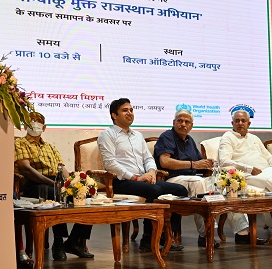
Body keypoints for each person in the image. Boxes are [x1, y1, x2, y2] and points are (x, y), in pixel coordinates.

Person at [97, 98, 188, 252]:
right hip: (121, 181)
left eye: (131, 110)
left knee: (180, 190)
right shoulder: (107, 135)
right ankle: (148, 238)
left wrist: (151, 172)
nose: (130, 113)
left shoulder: (137, 135)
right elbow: (110, 164)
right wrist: (135, 177)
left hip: (142, 179)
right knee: (155, 190)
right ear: (114, 115)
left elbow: (148, 158)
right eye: (125, 110)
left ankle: (166, 236)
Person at [15, 112, 94, 260]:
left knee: (86, 195)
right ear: (25, 126)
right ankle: (58, 243)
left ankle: (74, 241)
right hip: (35, 183)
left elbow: (62, 169)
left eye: (38, 123)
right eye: (31, 122)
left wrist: (73, 184)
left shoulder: (50, 147)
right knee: (56, 195)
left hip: (55, 182)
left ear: (44, 128)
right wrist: (53, 184)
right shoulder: (20, 143)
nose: (34, 125)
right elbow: (26, 169)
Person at [219, 109, 272, 242]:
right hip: (246, 174)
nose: (240, 123)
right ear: (232, 123)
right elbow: (224, 161)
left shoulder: (254, 138)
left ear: (249, 123)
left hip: (265, 170)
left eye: (243, 121)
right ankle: (251, 233)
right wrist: (249, 168)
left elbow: (267, 156)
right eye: (237, 121)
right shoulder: (228, 137)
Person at [153, 109, 221, 248]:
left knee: (217, 183)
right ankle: (206, 234)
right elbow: (164, 162)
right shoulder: (167, 137)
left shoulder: (190, 140)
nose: (183, 124)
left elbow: (199, 163)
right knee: (199, 183)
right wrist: (193, 164)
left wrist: (207, 164)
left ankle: (219, 229)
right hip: (172, 179)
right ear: (174, 122)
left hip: (191, 178)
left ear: (191, 126)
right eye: (180, 121)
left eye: (186, 122)